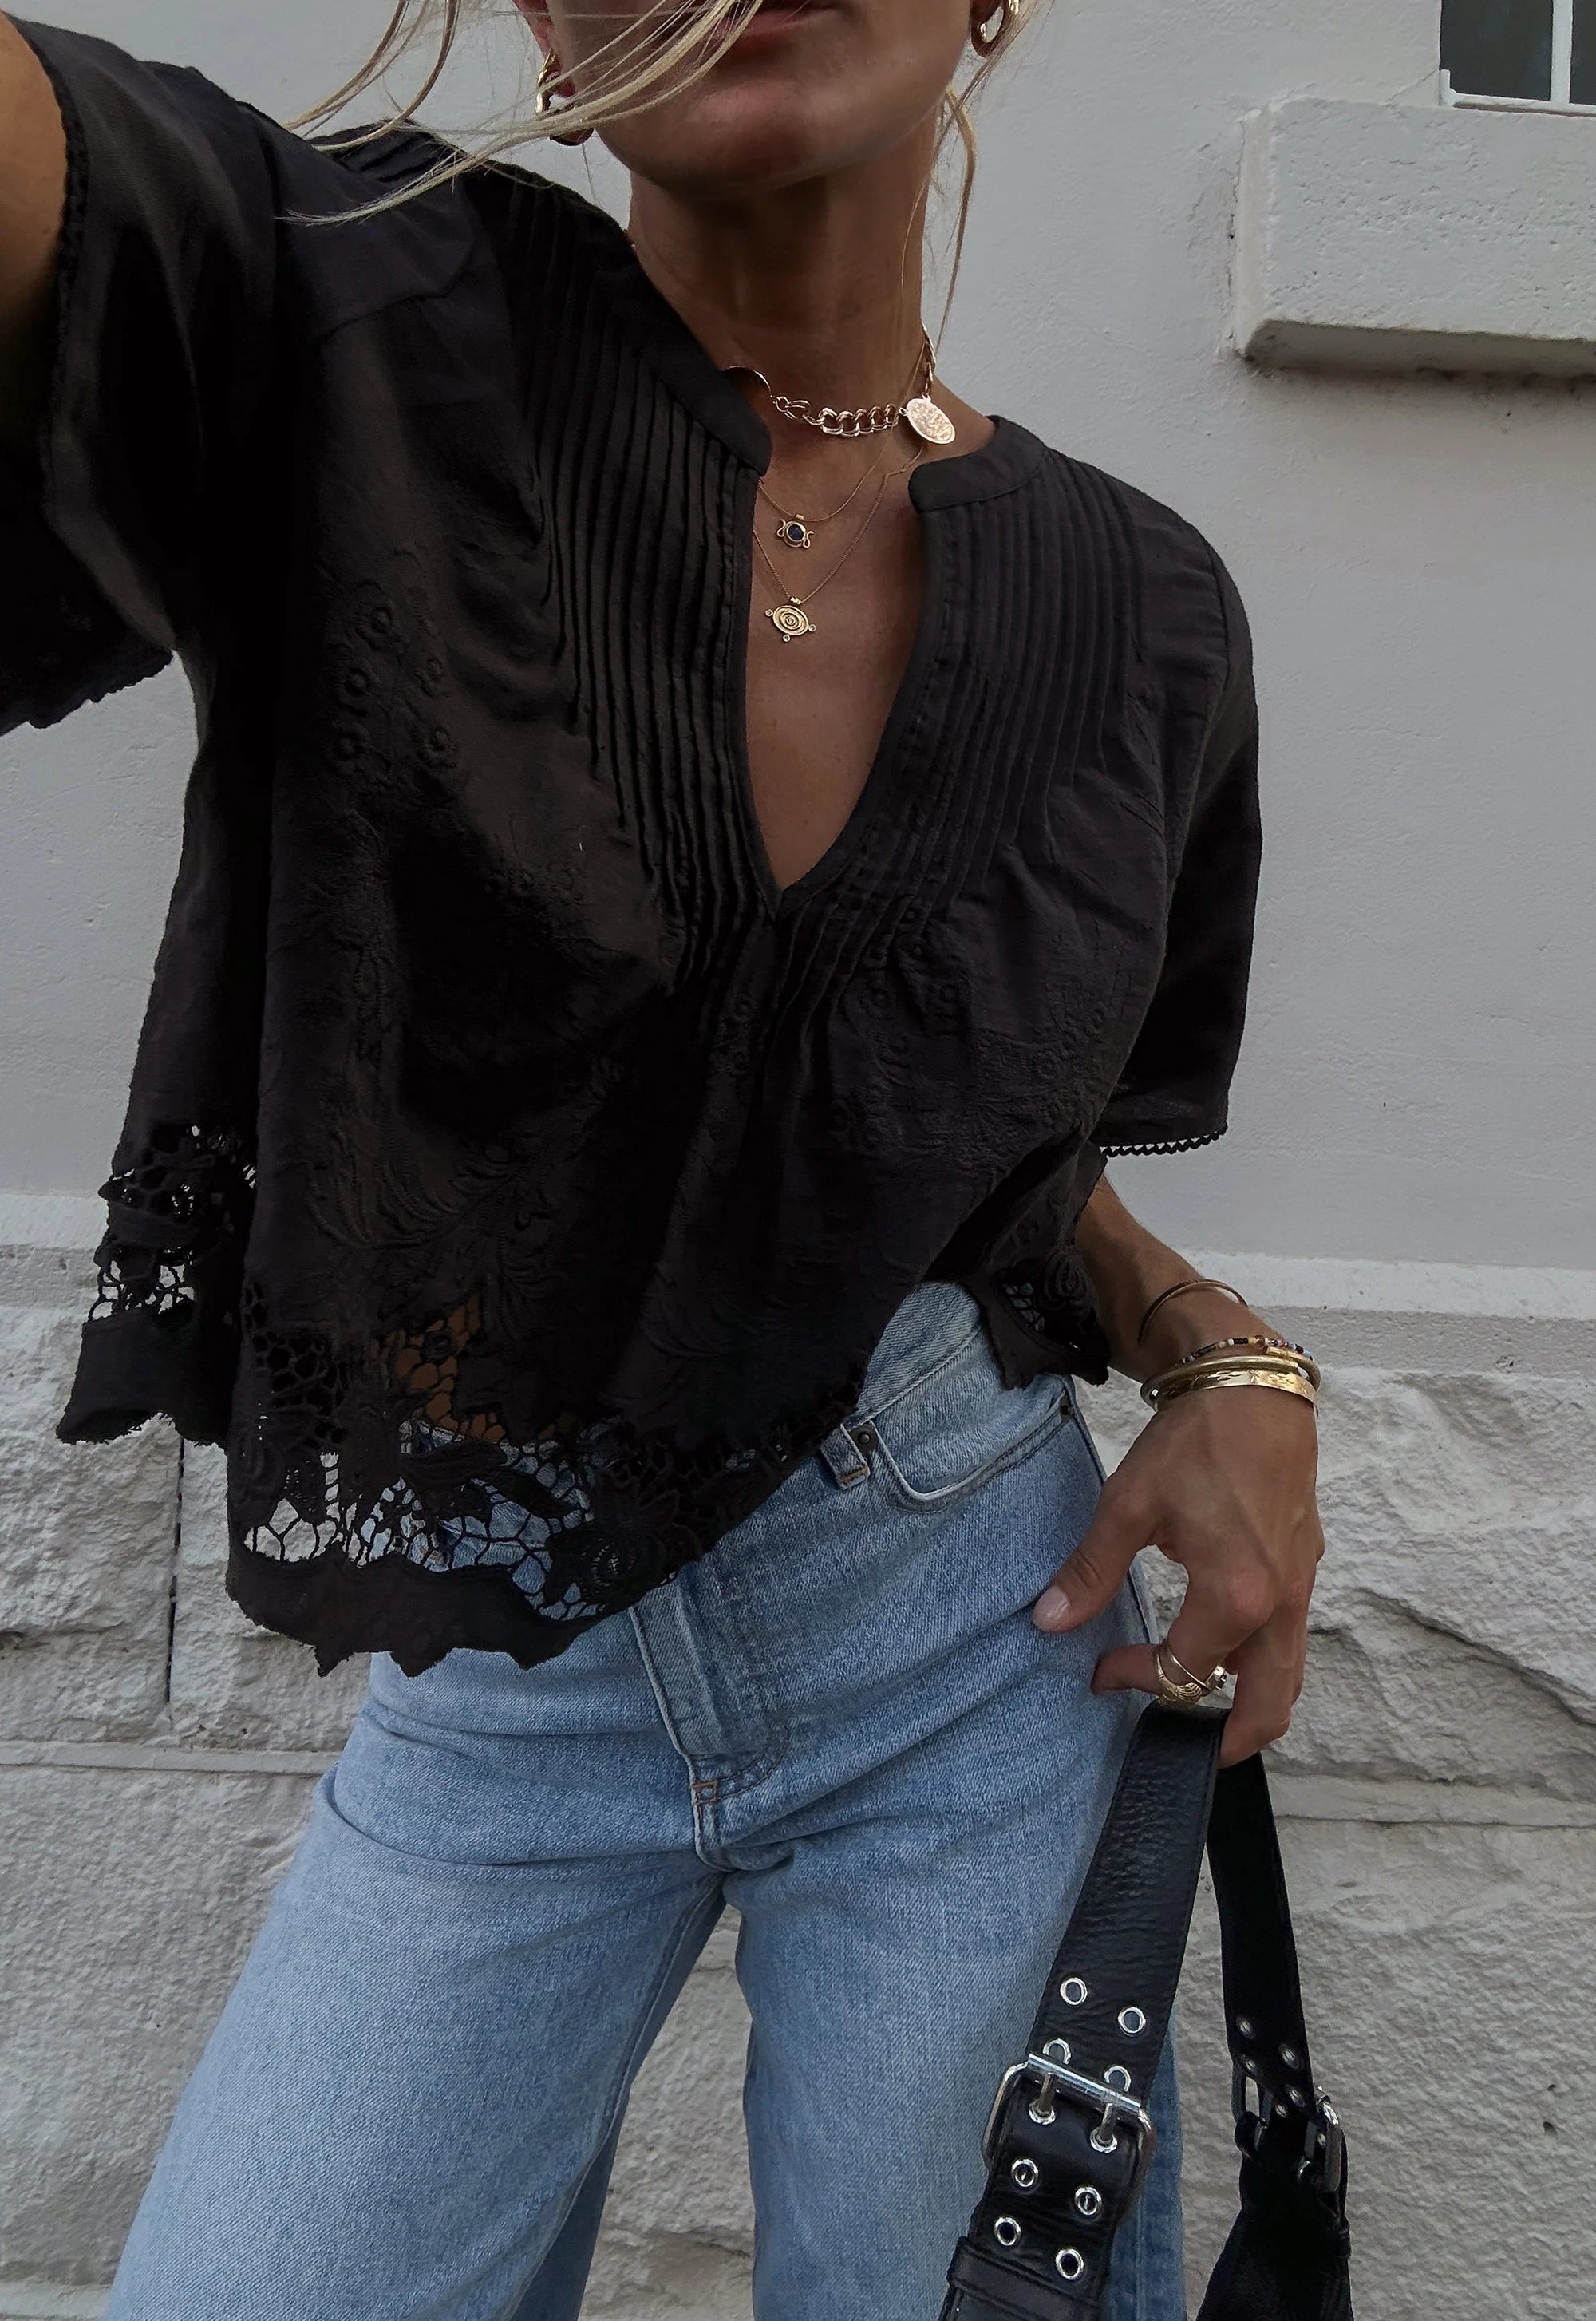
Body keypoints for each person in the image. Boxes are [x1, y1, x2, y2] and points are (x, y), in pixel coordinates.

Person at [0, 2, 1325, 2315]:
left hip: (974, 1636)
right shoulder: (356, 321)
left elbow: (965, 1156)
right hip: (506, 1686)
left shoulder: (1147, 612)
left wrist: (1222, 1356)